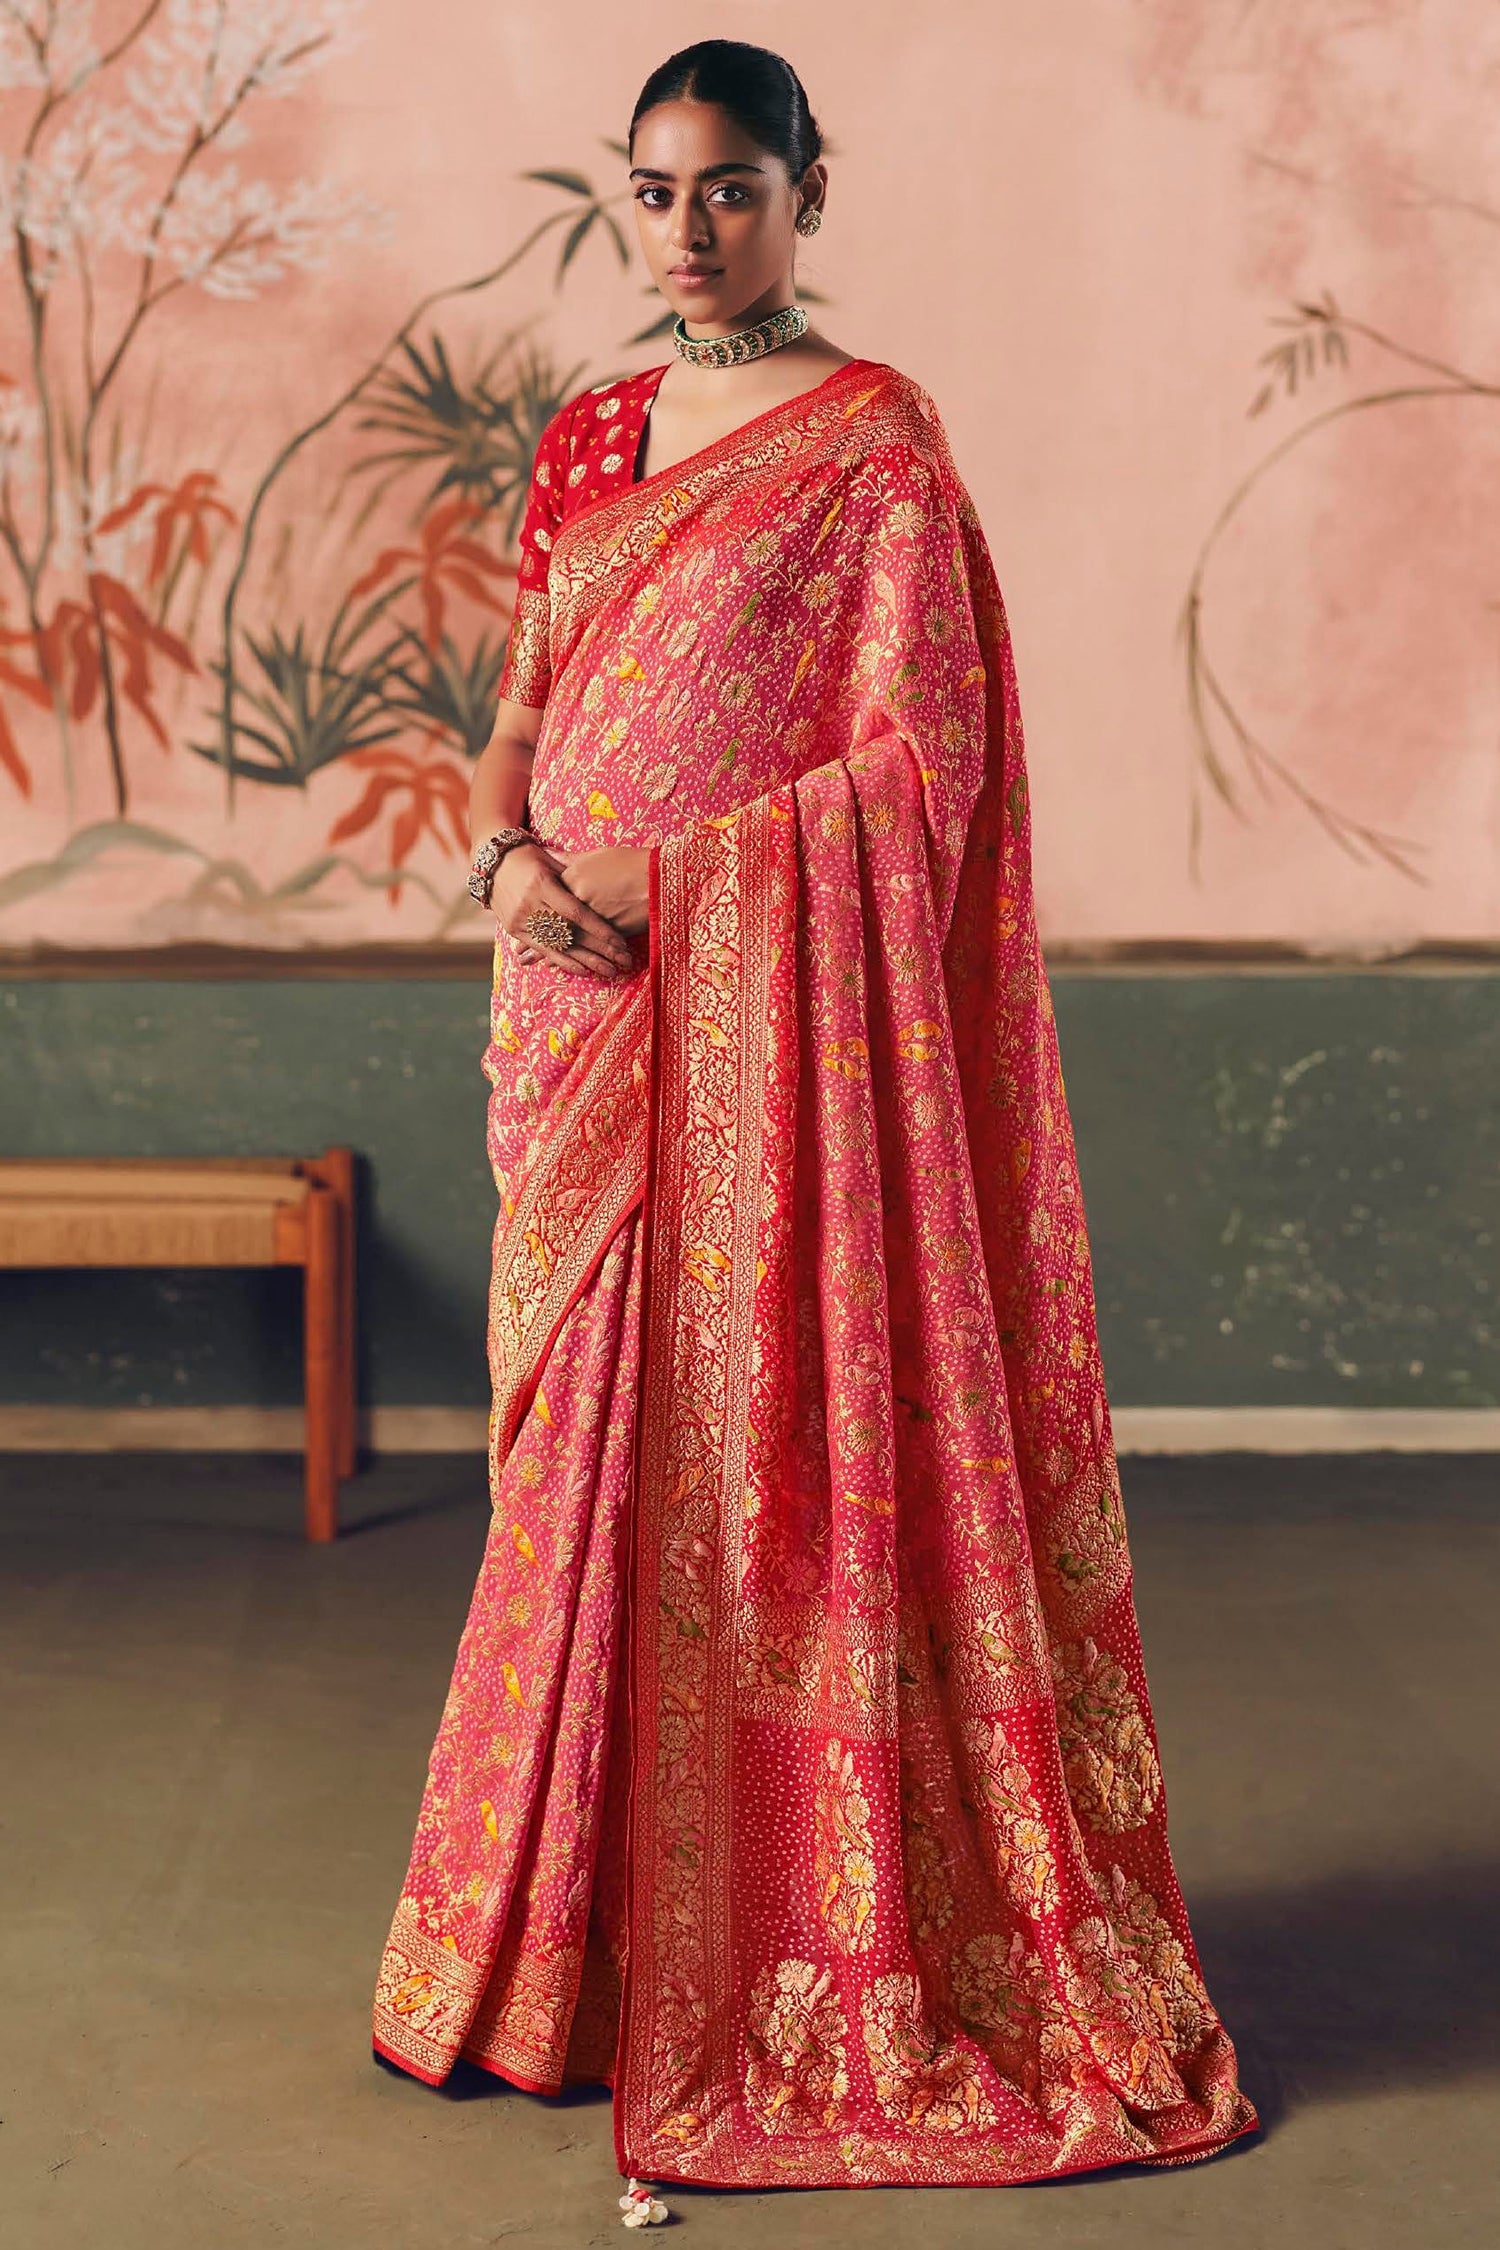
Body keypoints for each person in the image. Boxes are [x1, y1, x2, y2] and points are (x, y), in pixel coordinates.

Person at [372, 37, 1258, 2218]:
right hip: (574, 1014)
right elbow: (516, 721)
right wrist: (511, 867)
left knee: (757, 1470)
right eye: (656, 191)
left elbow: (917, 771)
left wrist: (681, 885)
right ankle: (551, 1968)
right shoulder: (592, 435)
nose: (690, 231)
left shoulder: (874, 448)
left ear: (807, 194)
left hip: (760, 1030)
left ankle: (791, 1944)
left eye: (733, 190)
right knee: (574, 1478)